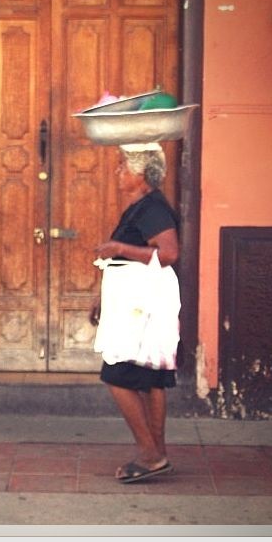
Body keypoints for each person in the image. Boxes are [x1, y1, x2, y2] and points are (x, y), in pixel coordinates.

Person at [89, 142, 180, 484]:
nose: (118, 172)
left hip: (143, 303)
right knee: (151, 379)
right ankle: (156, 453)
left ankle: (150, 454)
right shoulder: (141, 206)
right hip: (134, 299)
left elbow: (169, 253)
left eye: (124, 167)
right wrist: (100, 297)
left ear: (142, 176)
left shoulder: (152, 208)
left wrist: (118, 247)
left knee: (118, 374)